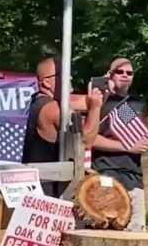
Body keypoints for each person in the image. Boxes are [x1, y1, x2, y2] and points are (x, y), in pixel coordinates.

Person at [22, 56, 103, 195]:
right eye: (63, 75)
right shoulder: (52, 108)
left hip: (41, 187)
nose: (69, 78)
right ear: (47, 82)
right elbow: (85, 142)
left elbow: (80, 102)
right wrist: (96, 108)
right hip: (48, 191)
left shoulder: (39, 101)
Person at [91, 58, 148, 231]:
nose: (125, 75)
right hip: (106, 174)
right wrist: (126, 147)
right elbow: (90, 139)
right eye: (120, 71)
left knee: (137, 233)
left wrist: (145, 141)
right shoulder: (99, 102)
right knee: (105, 232)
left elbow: (140, 135)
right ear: (110, 75)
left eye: (129, 73)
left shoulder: (135, 103)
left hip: (133, 177)